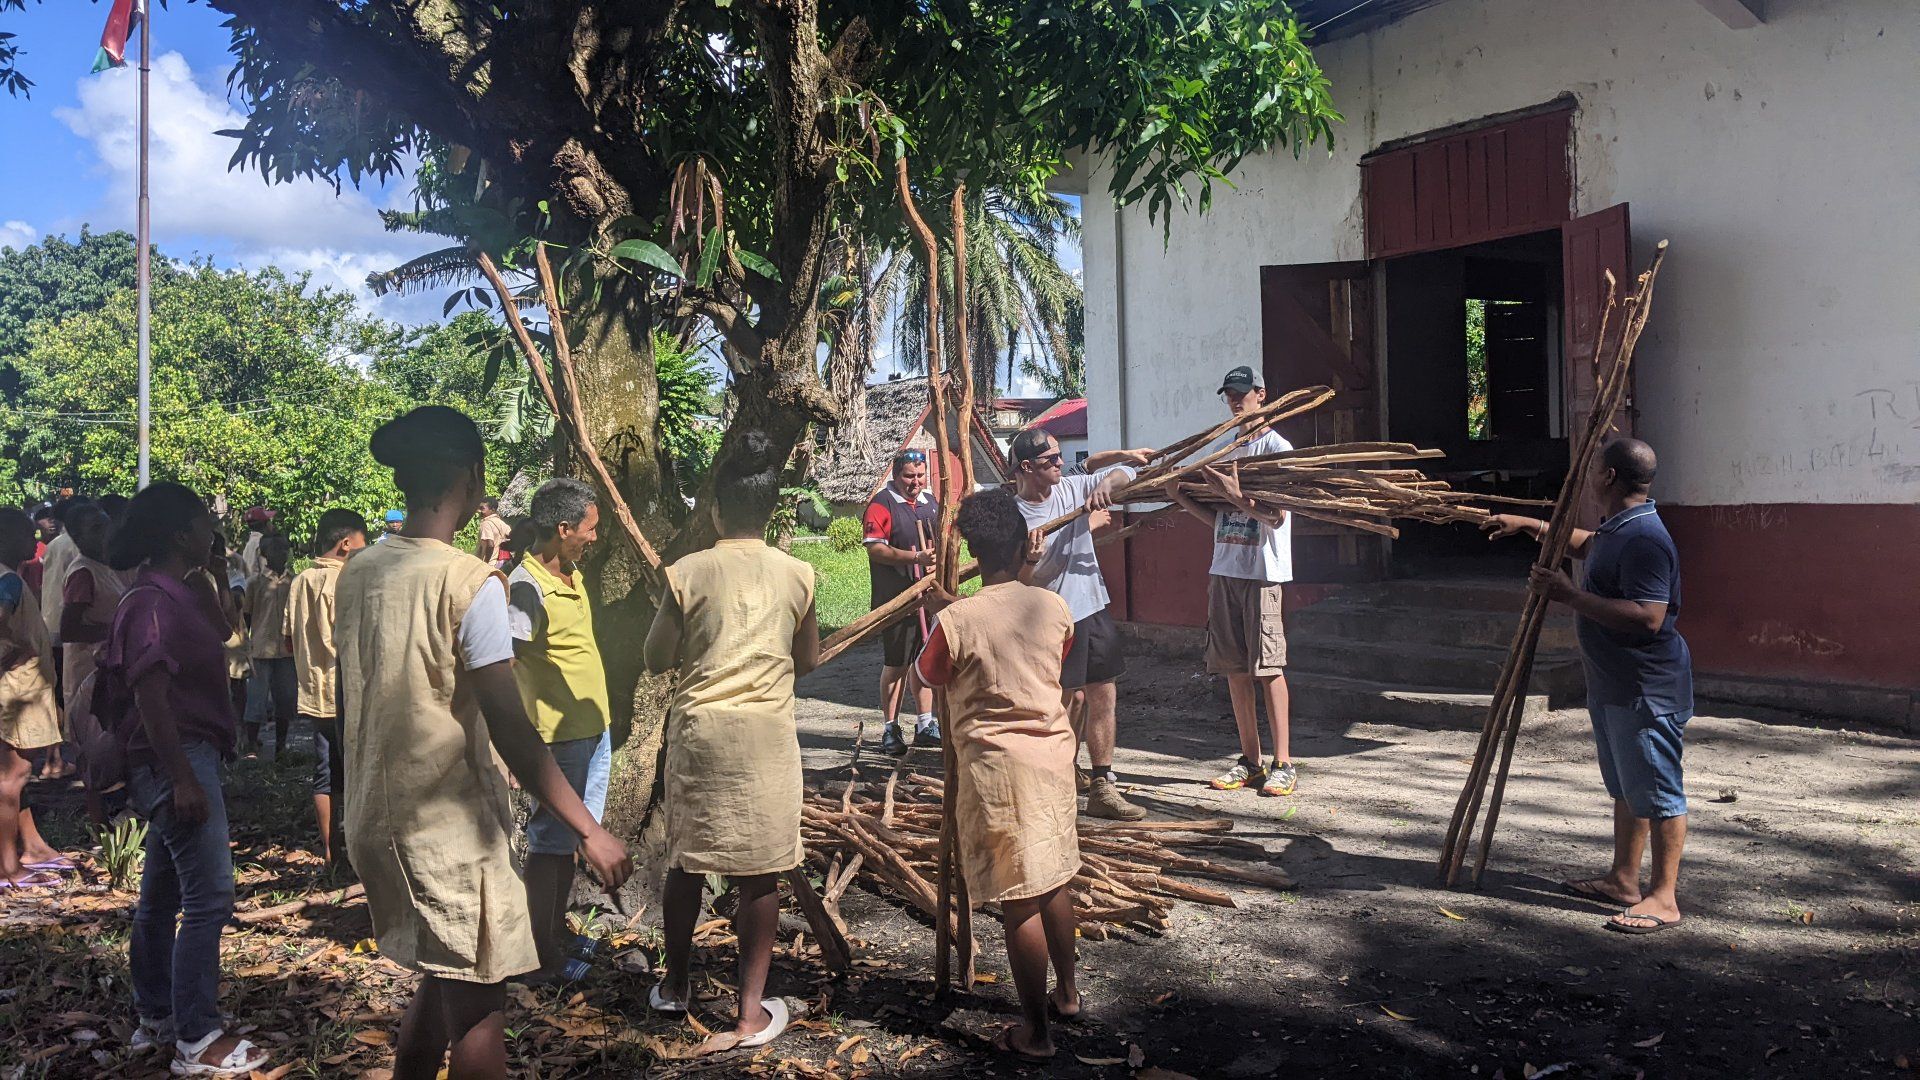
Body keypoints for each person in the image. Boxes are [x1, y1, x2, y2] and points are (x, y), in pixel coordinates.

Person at [335, 406, 631, 1080]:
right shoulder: (474, 585)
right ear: (471, 481)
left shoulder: (360, 571)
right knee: (478, 1007)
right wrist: (589, 830)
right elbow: (513, 730)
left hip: (377, 817)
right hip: (449, 830)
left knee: (444, 981)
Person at [644, 430, 820, 1051]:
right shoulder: (800, 574)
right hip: (766, 736)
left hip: (700, 732)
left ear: (716, 509)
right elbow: (809, 659)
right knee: (761, 871)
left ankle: (675, 985)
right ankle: (750, 1015)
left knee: (686, 861)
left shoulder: (686, 572)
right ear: (771, 511)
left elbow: (655, 655)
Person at [1484, 438, 1694, 935]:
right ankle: (1624, 880)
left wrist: (1568, 595)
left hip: (1646, 687)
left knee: (1659, 792)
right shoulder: (1620, 527)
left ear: (1609, 478)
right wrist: (1531, 526)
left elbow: (1648, 617)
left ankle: (1663, 897)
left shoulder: (1645, 538)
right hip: (1614, 685)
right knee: (1626, 787)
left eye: (1593, 467)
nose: (1587, 475)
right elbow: (1590, 546)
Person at [100, 483, 272, 1076]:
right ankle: (197, 1038)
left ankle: (157, 1017)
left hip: (184, 756)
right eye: (203, 525)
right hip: (174, 756)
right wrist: (183, 779)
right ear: (179, 534)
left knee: (163, 896)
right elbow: (151, 694)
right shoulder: (149, 601)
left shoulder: (174, 591)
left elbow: (223, 633)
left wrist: (216, 571)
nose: (211, 533)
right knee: (210, 897)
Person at [909, 489, 1081, 1063]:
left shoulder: (955, 620)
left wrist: (942, 612)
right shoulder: (1052, 607)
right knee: (1054, 875)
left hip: (997, 773)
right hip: (1054, 760)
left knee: (1019, 897)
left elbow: (928, 677)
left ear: (973, 552)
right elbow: (1048, 659)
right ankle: (1069, 994)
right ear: (1022, 542)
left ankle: (1036, 1032)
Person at [1162, 365, 1299, 796]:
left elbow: (1275, 517)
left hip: (1262, 574)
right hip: (1225, 571)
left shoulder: (1279, 449)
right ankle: (1250, 761)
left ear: (1262, 393)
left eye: (1242, 393)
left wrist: (1238, 496)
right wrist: (1181, 497)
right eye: (1229, 395)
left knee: (1268, 669)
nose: (1236, 401)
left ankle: (1284, 763)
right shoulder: (1226, 450)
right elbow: (1220, 520)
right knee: (1234, 671)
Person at [1008, 427, 1148, 821]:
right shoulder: (1013, 517)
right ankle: (1059, 773)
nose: (1059, 464)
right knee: (1063, 700)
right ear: (1026, 467)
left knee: (1102, 694)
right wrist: (1032, 560)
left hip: (1092, 606)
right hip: (1047, 617)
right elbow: (1014, 582)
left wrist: (1107, 484)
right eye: (1050, 460)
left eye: (1058, 457)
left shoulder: (1070, 488)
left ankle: (1102, 784)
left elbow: (1126, 473)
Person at [506, 478, 613, 984]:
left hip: (593, 731)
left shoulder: (569, 573)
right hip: (557, 738)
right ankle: (540, 956)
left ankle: (556, 932)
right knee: (550, 844)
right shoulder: (524, 588)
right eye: (588, 529)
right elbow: (505, 664)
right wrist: (508, 745)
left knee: (569, 839)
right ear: (563, 528)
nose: (595, 537)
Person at [287, 508, 367, 865]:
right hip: (349, 690)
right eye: (363, 544)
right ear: (347, 544)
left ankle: (331, 853)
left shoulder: (300, 580)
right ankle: (359, 850)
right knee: (355, 771)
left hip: (314, 692)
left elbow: (288, 639)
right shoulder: (348, 581)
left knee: (325, 773)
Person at [0, 508, 69, 889]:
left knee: (16, 776)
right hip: (17, 689)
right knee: (13, 775)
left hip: (20, 686)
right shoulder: (7, 580)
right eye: (28, 535)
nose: (36, 542)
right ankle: (7, 867)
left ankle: (30, 848)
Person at [862, 449, 941, 757]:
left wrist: (933, 561)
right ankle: (891, 727)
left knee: (925, 662)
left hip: (928, 599)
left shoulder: (930, 504)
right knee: (897, 664)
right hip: (895, 600)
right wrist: (914, 557)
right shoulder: (882, 505)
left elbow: (938, 544)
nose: (915, 482)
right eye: (909, 476)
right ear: (896, 475)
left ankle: (925, 724)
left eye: (920, 476)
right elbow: (875, 549)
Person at [59, 503, 130, 824]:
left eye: (106, 524)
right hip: (88, 674)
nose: (106, 533)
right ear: (77, 536)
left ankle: (121, 821)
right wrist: (117, 630)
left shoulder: (110, 566)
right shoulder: (83, 571)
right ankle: (100, 829)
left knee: (116, 745)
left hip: (110, 671)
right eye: (95, 529)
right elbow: (69, 628)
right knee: (94, 750)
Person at [241, 535, 296, 760]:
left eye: (284, 551)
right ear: (264, 555)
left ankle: (281, 747)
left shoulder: (294, 581)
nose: (280, 555)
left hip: (286, 649)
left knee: (285, 700)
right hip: (261, 649)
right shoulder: (256, 582)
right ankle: (251, 746)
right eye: (275, 551)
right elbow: (246, 614)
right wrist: (245, 643)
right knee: (256, 700)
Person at [235, 506, 277, 581]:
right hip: (261, 589)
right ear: (266, 525)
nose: (272, 525)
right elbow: (269, 575)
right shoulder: (264, 543)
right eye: (269, 521)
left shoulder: (249, 544)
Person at [475, 498, 511, 567]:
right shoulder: (502, 524)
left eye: (482, 509)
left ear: (492, 510)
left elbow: (490, 545)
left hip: (490, 564)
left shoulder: (486, 524)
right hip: (502, 564)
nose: (479, 511)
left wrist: (485, 563)